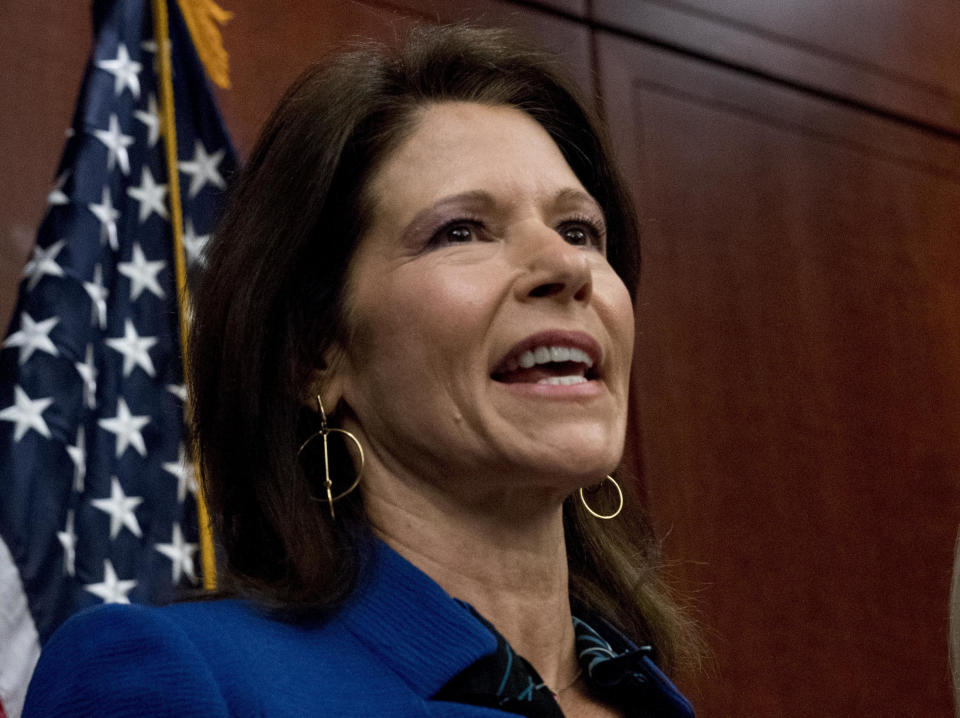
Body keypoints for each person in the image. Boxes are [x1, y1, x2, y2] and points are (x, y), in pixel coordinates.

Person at [24, 24, 699, 717]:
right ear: (315, 354)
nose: (564, 267)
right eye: (460, 230)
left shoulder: (655, 701)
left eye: (580, 230)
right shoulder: (171, 677)